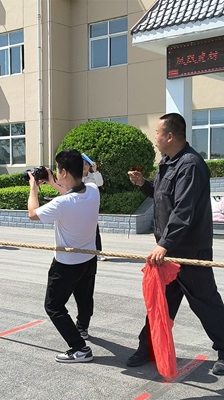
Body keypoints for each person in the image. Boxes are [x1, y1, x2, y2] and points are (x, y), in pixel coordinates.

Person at [126, 113, 224, 376]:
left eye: (157, 132)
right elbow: (162, 197)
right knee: (160, 304)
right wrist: (143, 184)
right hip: (168, 254)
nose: (155, 137)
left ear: (169, 136)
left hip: (189, 251)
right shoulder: (168, 163)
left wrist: (165, 244)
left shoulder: (190, 165)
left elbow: (183, 210)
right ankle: (148, 348)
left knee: (206, 303)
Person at [28, 149, 100, 363]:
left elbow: (33, 214)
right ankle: (82, 329)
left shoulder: (62, 204)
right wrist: (50, 182)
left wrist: (33, 187)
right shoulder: (94, 191)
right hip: (88, 259)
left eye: (58, 172)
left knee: (53, 306)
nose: (57, 175)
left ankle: (80, 348)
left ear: (65, 172)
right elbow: (70, 193)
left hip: (67, 265)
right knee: (84, 298)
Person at [81, 154, 105, 261]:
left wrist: (95, 171)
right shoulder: (75, 177)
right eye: (82, 164)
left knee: (95, 231)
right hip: (78, 209)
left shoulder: (93, 176)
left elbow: (100, 183)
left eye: (86, 164)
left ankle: (98, 252)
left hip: (90, 209)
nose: (84, 167)